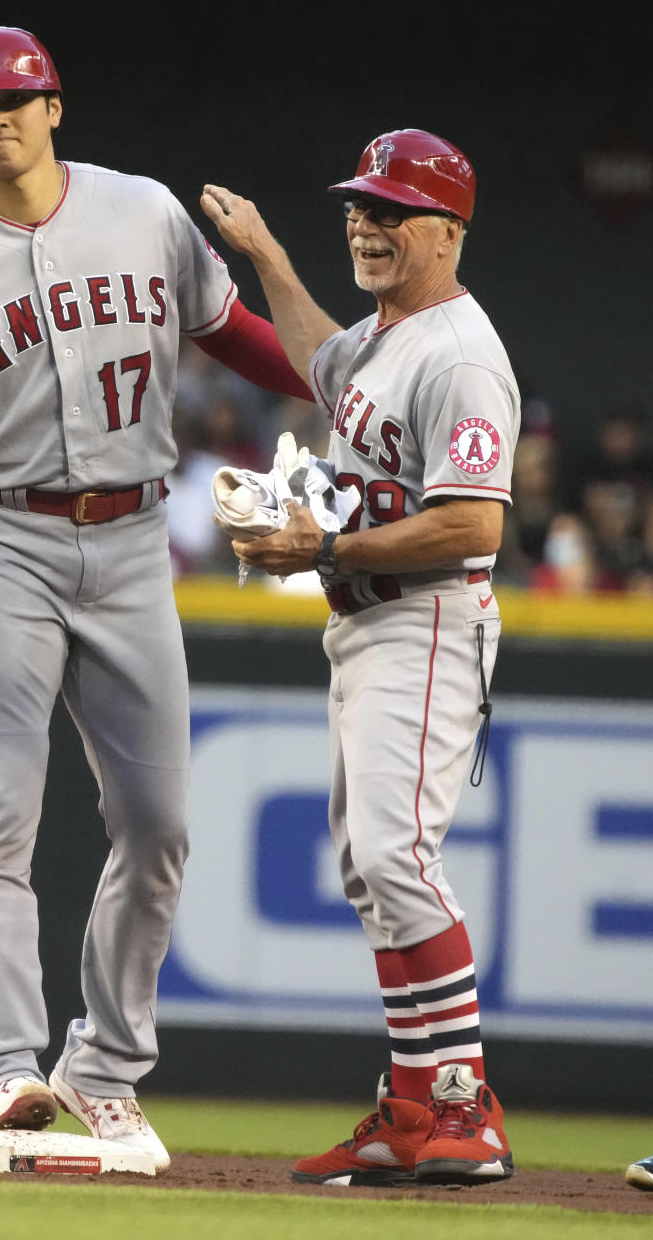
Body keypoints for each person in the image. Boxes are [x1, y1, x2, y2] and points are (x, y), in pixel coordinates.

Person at [0, 25, 310, 1171]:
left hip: (134, 536)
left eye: (17, 97)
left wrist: (342, 376)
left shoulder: (143, 211)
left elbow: (229, 334)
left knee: (158, 825)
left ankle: (101, 1067)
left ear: (56, 107)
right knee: (0, 802)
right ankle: (4, 1064)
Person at [201, 128, 520, 1187]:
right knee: (367, 865)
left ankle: (465, 1105)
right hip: (371, 622)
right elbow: (315, 357)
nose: (366, 224)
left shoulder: (460, 354)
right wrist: (268, 258)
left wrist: (325, 545)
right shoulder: (384, 335)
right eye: (358, 206)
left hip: (426, 616)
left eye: (390, 211)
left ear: (446, 230)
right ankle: (414, 1103)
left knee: (397, 856)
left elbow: (473, 523)